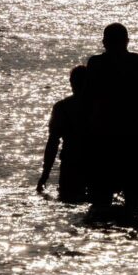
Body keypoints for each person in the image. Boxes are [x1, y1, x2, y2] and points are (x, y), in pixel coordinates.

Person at [85, 23, 138, 211]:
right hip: (134, 137)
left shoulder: (96, 64)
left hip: (104, 138)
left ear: (104, 42)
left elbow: (87, 99)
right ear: (127, 41)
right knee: (136, 201)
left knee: (101, 201)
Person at [37, 65, 91, 203]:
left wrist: (44, 176)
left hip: (71, 163)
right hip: (97, 162)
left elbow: (53, 143)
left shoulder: (62, 107)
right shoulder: (101, 106)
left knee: (68, 201)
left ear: (71, 82)